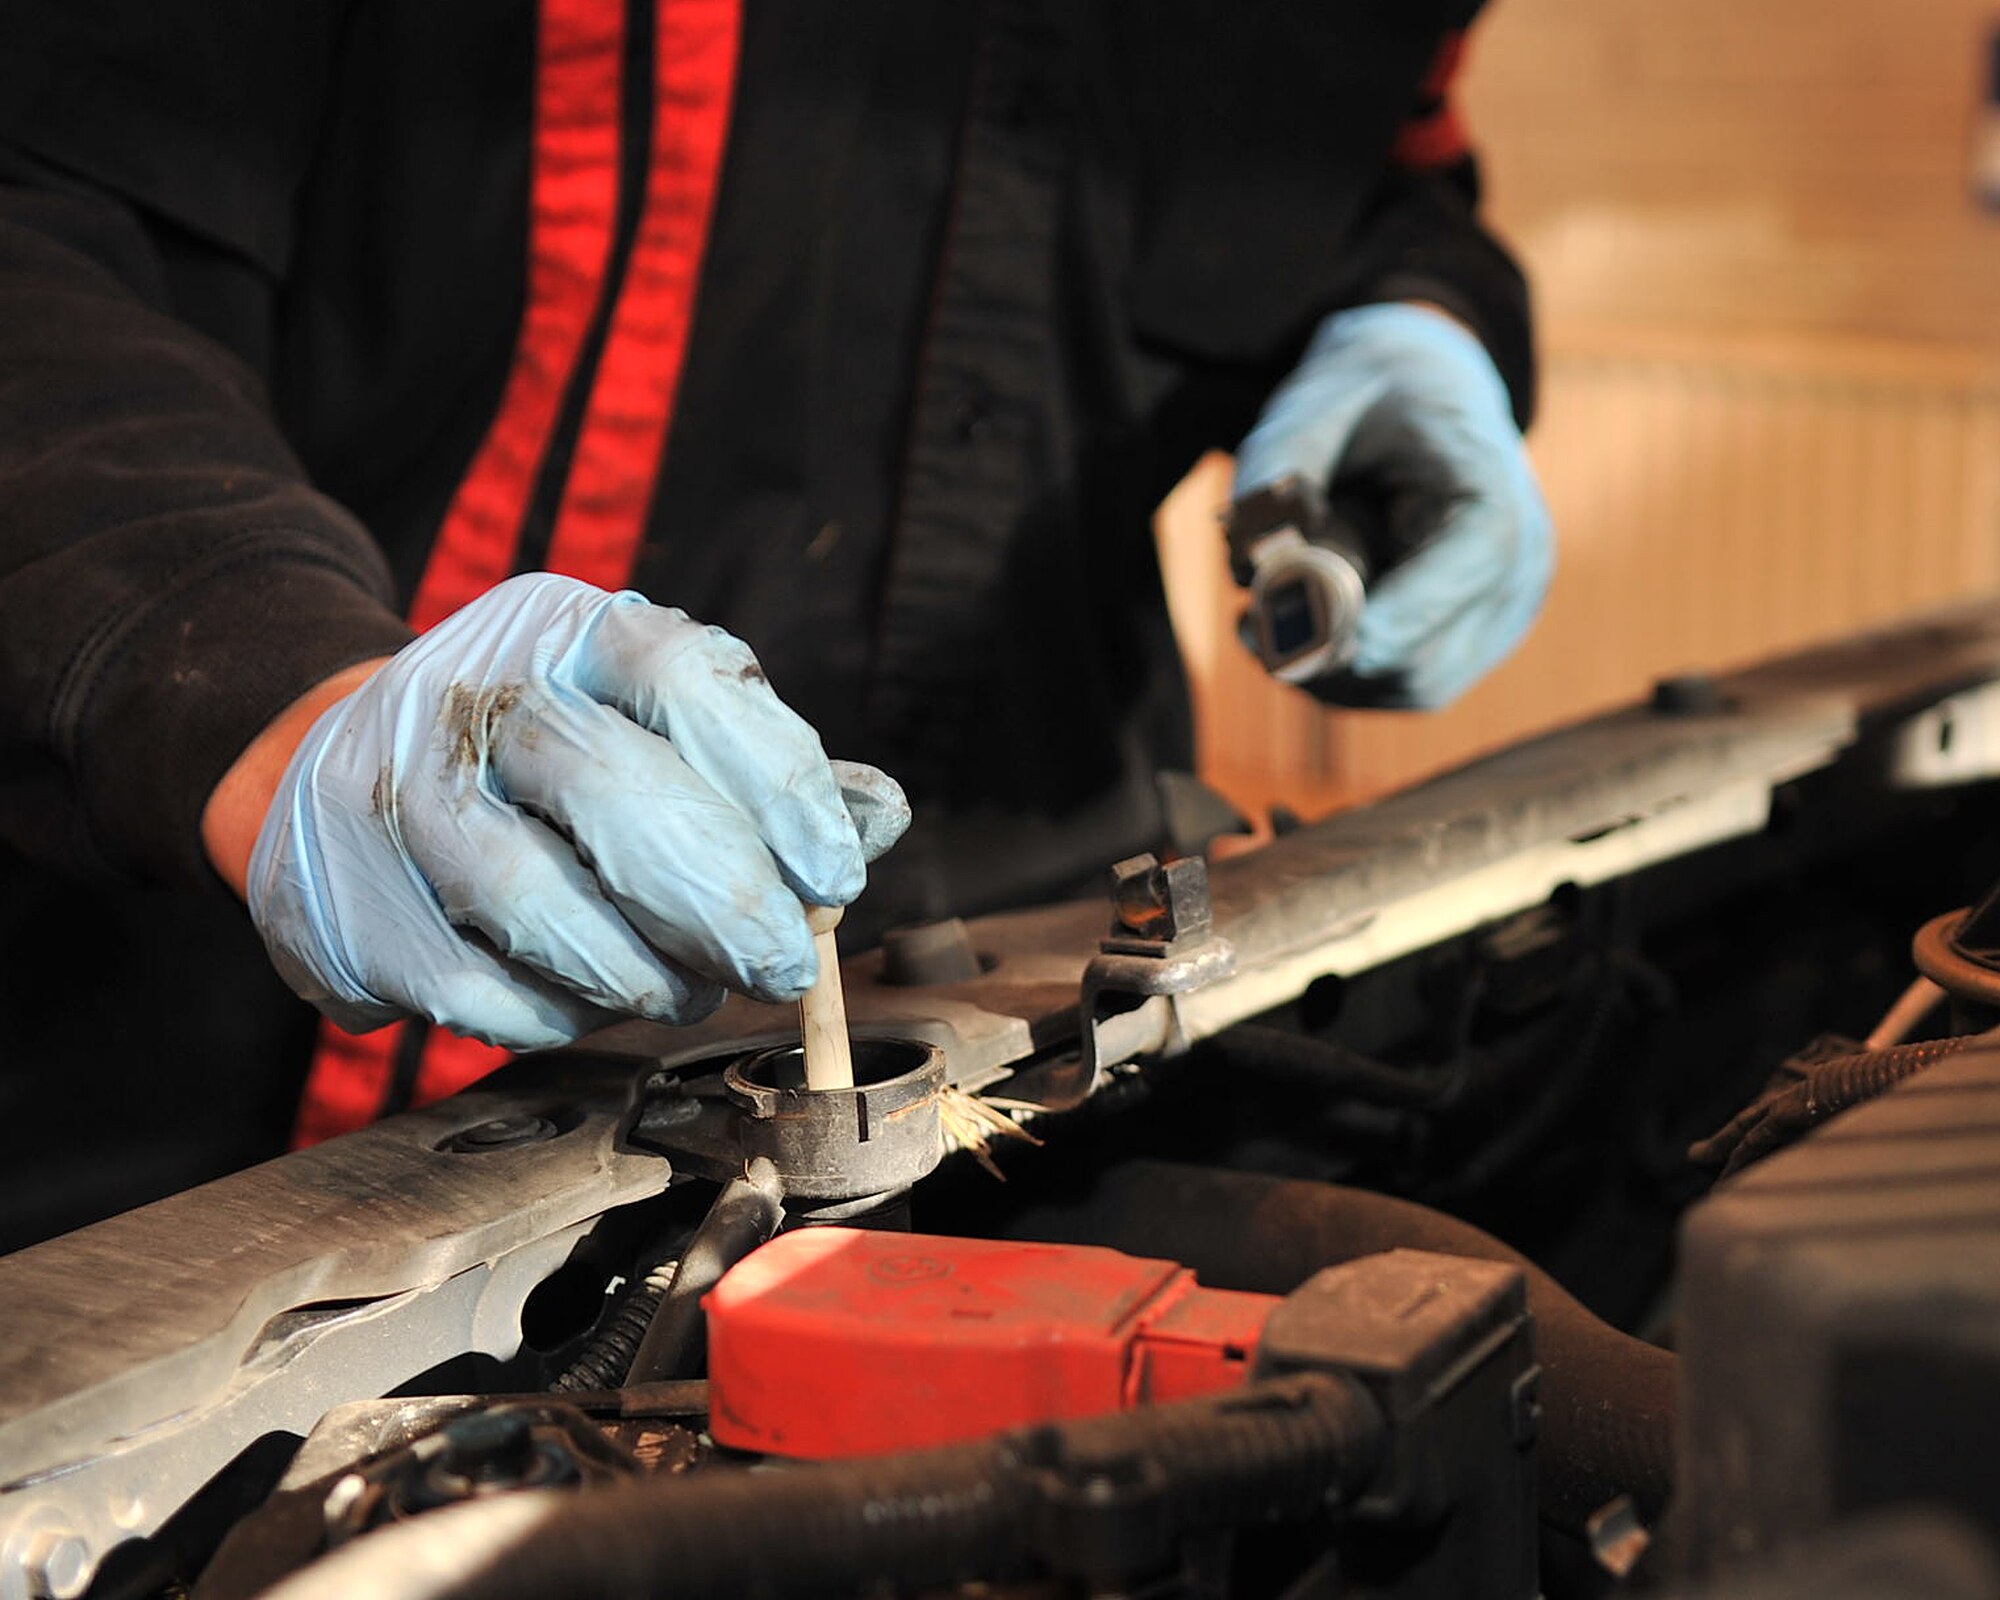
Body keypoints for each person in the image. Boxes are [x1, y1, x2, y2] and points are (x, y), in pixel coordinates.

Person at [0, 0, 1551, 1248]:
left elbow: (1360, 165)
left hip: (1045, 1001)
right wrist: (255, 682)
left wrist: (1423, 311)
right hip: (238, 1039)